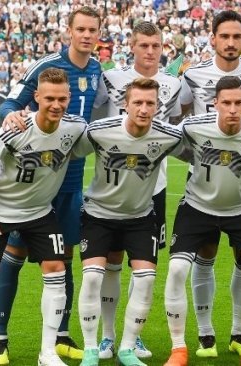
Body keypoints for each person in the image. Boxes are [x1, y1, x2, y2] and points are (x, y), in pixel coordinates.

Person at [0, 6, 102, 364]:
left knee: (63, 257)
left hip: (71, 181)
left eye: (92, 30)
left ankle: (61, 337)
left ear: (99, 34)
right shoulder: (47, 66)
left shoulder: (98, 69)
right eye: (81, 29)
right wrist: (10, 112)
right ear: (69, 31)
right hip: (36, 182)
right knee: (16, 254)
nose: (86, 35)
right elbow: (9, 103)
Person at [163, 76, 241, 366]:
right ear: (215, 103)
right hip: (197, 208)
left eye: (238, 103)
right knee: (178, 268)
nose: (232, 109)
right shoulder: (193, 126)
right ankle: (179, 349)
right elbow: (168, 142)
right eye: (226, 103)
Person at [0, 67, 86, 366]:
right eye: (49, 98)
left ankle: (47, 352)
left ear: (69, 97)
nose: (56, 105)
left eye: (62, 99)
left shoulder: (75, 128)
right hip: (0, 209)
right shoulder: (16, 128)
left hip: (39, 212)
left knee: (56, 269)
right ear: (36, 97)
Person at [179, 10, 241, 358]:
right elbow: (181, 118)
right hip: (203, 178)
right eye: (224, 36)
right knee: (205, 252)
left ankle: (238, 330)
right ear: (213, 39)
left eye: (237, 37)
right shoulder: (195, 75)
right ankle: (205, 334)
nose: (230, 43)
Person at [74, 78, 184, 366]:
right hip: (98, 215)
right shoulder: (99, 131)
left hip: (140, 217)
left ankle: (125, 348)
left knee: (146, 279)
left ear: (158, 106)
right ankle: (92, 347)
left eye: (150, 103)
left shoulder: (167, 136)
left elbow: (199, 150)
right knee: (95, 275)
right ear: (125, 104)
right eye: (138, 102)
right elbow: (69, 150)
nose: (144, 109)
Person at [91, 20, 182, 360]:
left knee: (143, 266)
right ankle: (108, 335)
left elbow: (178, 123)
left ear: (162, 48)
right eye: (143, 45)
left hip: (152, 185)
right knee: (111, 262)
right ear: (132, 45)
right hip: (112, 187)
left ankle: (133, 337)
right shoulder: (112, 79)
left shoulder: (174, 84)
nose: (149, 51)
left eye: (155, 46)